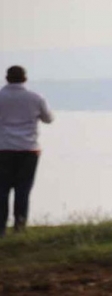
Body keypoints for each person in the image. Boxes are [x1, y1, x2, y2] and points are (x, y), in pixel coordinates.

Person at [0, 66, 54, 237]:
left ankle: (0, 228)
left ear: (7, 78)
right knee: (23, 190)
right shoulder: (36, 98)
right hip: (28, 150)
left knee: (2, 190)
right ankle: (20, 227)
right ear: (25, 78)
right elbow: (48, 119)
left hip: (3, 148)